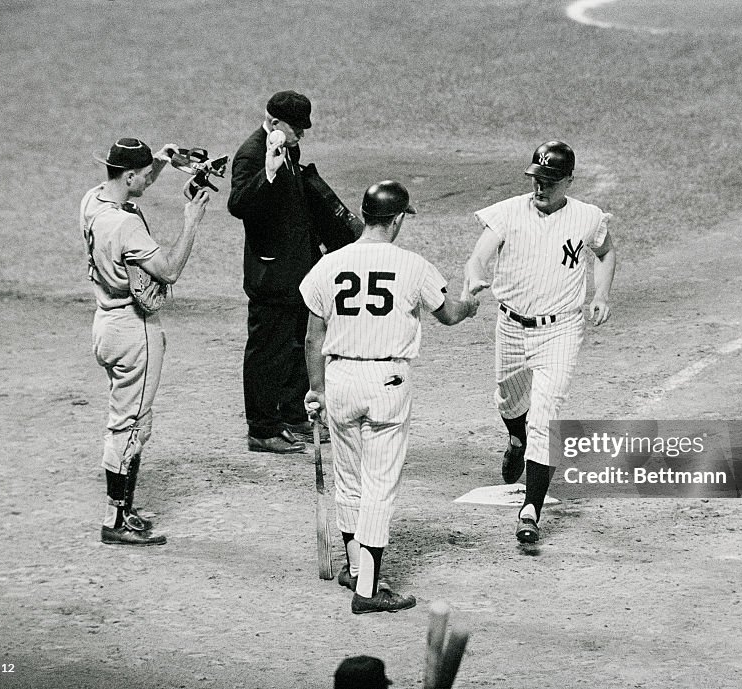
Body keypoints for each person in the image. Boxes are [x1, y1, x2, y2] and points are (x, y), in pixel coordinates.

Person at [300, 181, 478, 614]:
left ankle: (355, 569)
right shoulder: (412, 265)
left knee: (349, 478)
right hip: (386, 382)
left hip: (339, 377)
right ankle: (369, 591)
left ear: (364, 215)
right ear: (397, 219)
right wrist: (470, 304)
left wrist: (316, 389)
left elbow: (312, 335)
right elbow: (450, 315)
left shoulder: (329, 263)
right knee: (379, 485)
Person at [463, 140, 617, 544]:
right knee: (509, 401)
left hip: (562, 329)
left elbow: (605, 252)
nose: (540, 187)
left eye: (550, 181)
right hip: (511, 327)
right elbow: (479, 255)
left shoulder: (588, 217)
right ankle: (516, 438)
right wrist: (476, 274)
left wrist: (600, 294)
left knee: (545, 414)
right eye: (536, 178)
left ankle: (531, 508)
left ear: (568, 180)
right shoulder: (509, 212)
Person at [81, 137, 210, 546]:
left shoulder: (93, 201)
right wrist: (191, 220)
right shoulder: (126, 225)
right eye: (142, 175)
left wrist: (159, 162)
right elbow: (168, 271)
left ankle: (123, 512)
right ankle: (114, 520)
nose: (146, 181)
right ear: (129, 175)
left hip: (105, 324)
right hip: (134, 330)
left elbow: (135, 183)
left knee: (128, 419)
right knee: (130, 425)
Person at [228, 89, 327, 454]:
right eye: (296, 127)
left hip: (298, 270)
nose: (301, 134)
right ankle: (262, 428)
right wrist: (266, 174)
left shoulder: (289, 147)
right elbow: (238, 205)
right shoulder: (252, 154)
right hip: (270, 275)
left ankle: (291, 414)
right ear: (273, 122)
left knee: (295, 342)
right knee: (266, 350)